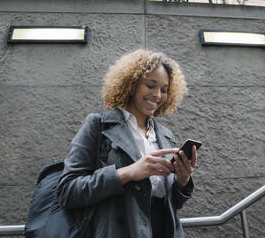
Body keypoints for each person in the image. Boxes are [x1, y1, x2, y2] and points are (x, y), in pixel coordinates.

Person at [56, 49, 197, 238]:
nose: (157, 95)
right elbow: (68, 191)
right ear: (131, 84)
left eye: (164, 89)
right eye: (150, 85)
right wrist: (127, 173)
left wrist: (182, 181)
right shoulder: (98, 125)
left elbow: (171, 203)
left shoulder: (166, 135)